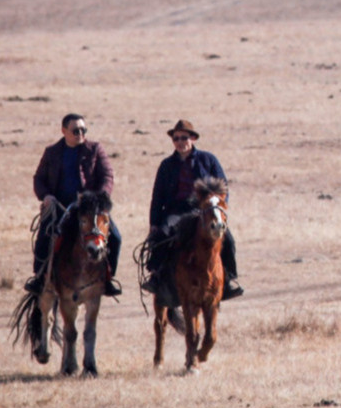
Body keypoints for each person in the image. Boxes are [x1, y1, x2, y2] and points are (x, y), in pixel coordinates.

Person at [142, 119, 243, 300]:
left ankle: (228, 280)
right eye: (176, 138)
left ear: (193, 139)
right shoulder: (166, 165)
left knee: (228, 239)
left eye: (184, 138)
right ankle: (156, 276)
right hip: (175, 211)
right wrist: (154, 223)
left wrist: (218, 208)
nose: (180, 142)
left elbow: (223, 187)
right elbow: (157, 196)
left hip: (202, 210)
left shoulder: (208, 160)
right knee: (162, 235)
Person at [28, 113, 121, 296]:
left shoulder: (95, 149)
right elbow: (39, 179)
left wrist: (99, 198)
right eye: (75, 130)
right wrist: (46, 196)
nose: (80, 134)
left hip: (90, 209)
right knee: (44, 237)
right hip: (60, 208)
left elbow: (107, 176)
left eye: (83, 130)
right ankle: (39, 279)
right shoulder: (52, 152)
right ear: (64, 131)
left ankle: (108, 279)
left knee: (116, 238)